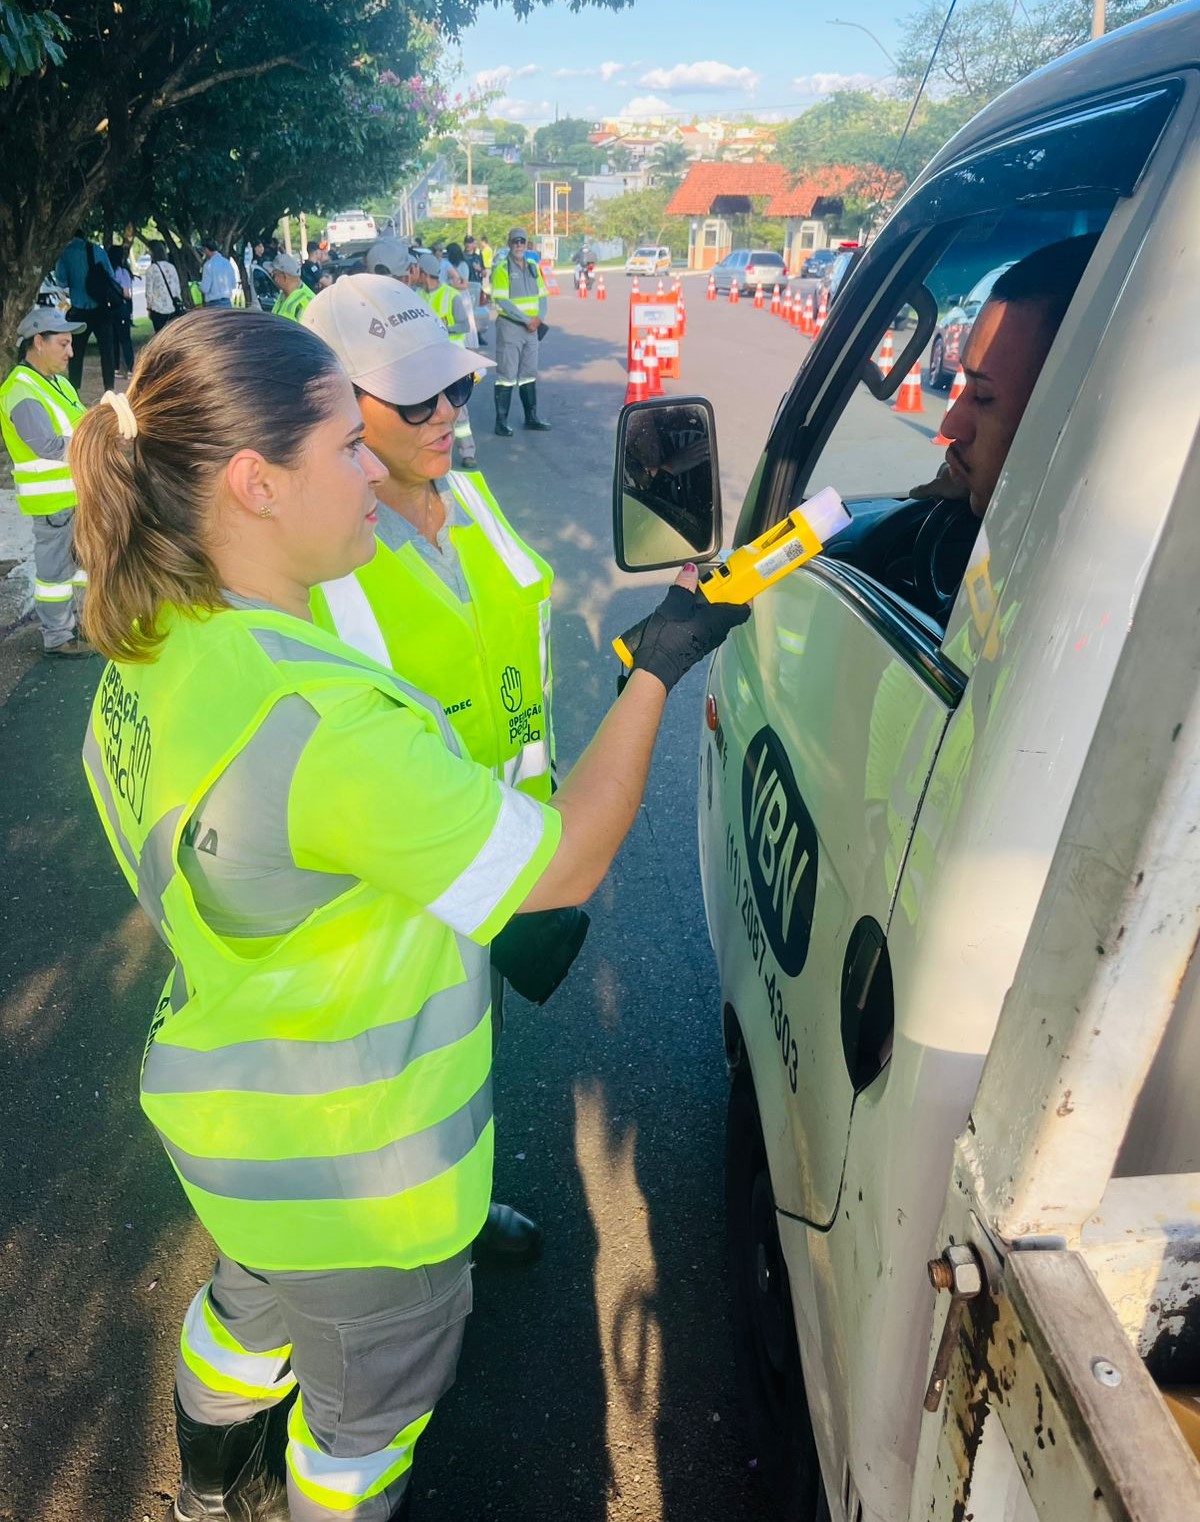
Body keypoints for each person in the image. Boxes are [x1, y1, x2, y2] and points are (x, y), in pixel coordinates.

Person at [71, 307, 745, 1522]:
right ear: (254, 483)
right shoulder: (328, 729)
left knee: (243, 1319)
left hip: (231, 1121)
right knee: (362, 1432)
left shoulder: (158, 640)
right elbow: (567, 861)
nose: (372, 470)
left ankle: (205, 1499)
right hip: (359, 1177)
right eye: (346, 445)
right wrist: (659, 664)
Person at [892, 233, 1100, 625]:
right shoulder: (1034, 535)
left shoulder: (1081, 597)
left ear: (1075, 413)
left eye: (984, 397)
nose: (950, 424)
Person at [0, 307, 92, 656]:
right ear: (38, 342)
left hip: (77, 497)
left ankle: (82, 624)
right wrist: (97, 443)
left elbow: (80, 425)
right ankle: (58, 637)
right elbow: (48, 446)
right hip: (53, 504)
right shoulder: (20, 390)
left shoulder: (59, 383)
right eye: (63, 344)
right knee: (55, 575)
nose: (71, 353)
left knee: (81, 568)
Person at [490, 227, 550, 437]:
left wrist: (539, 318)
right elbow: (502, 301)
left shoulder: (533, 267)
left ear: (527, 244)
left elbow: (543, 295)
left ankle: (531, 418)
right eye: (515, 241)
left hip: (532, 329)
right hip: (511, 327)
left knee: (529, 374)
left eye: (522, 241)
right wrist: (526, 320)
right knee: (506, 376)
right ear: (509, 244)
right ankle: (501, 423)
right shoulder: (502, 269)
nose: (519, 245)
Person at [53, 231, 117, 392]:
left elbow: (61, 282)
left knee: (76, 354)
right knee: (107, 352)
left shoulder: (65, 254)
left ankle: (75, 390)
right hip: (101, 308)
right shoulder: (97, 250)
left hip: (79, 311)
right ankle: (109, 389)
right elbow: (110, 275)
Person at [108, 245, 135, 377]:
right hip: (121, 308)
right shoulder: (123, 272)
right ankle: (130, 368)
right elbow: (126, 294)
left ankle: (115, 368)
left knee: (113, 339)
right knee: (125, 339)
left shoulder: (107, 272)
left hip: (109, 309)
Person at [144, 240, 183, 332]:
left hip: (158, 309)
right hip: (173, 307)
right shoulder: (171, 267)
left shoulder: (151, 270)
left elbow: (149, 293)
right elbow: (177, 288)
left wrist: (149, 308)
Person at [267, 252, 315, 321]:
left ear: (284, 277)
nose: (274, 279)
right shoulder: (283, 295)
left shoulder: (307, 303)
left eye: (273, 275)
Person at [463, 235, 488, 347]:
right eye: (466, 242)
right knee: (465, 312)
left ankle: (478, 334)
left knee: (476, 311)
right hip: (465, 286)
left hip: (477, 286)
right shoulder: (462, 257)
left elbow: (484, 273)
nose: (468, 245)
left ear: (474, 244)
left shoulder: (478, 257)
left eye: (470, 242)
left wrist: (479, 269)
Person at [199, 240, 238, 308]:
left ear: (206, 249)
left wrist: (199, 287)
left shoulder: (208, 265)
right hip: (227, 303)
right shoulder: (227, 263)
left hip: (213, 304)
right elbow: (233, 284)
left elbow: (205, 288)